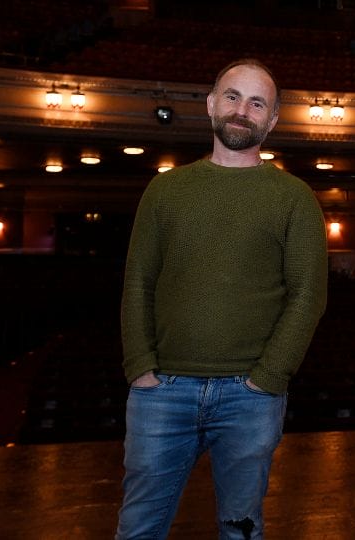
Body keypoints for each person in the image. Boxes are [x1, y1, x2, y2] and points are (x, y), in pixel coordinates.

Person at [117, 58, 328, 539]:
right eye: (232, 96)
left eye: (258, 103)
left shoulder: (294, 197)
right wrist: (141, 368)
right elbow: (137, 282)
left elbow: (308, 293)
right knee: (138, 528)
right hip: (161, 392)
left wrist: (268, 378)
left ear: (272, 120)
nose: (242, 110)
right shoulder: (165, 190)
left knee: (241, 528)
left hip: (249, 398)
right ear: (212, 103)